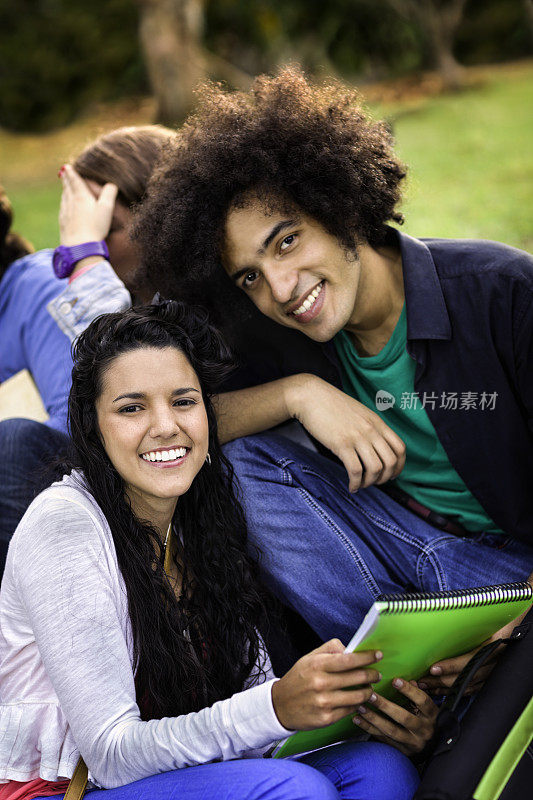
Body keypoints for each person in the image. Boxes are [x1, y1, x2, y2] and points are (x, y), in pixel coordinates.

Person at [128, 66, 533, 694]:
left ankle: (430, 687)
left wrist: (522, 625)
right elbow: (169, 423)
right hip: (410, 560)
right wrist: (299, 393)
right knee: (236, 463)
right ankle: (405, 685)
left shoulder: (501, 294)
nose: (282, 289)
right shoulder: (286, 335)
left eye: (286, 242)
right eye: (250, 277)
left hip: (519, 576)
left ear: (337, 207)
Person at [0, 302, 423, 800]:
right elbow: (112, 757)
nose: (165, 426)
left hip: (172, 777)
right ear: (92, 427)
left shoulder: (200, 520)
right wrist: (276, 707)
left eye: (184, 401)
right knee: (294, 789)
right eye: (131, 408)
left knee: (380, 767)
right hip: (62, 789)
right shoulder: (65, 524)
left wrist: (359, 707)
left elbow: (250, 714)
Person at [0, 126, 174, 568]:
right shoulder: (128, 296)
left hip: (149, 472)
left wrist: (85, 257)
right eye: (79, 234)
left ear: (167, 217)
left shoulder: (199, 306)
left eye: (105, 231)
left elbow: (134, 378)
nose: (86, 251)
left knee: (16, 442)